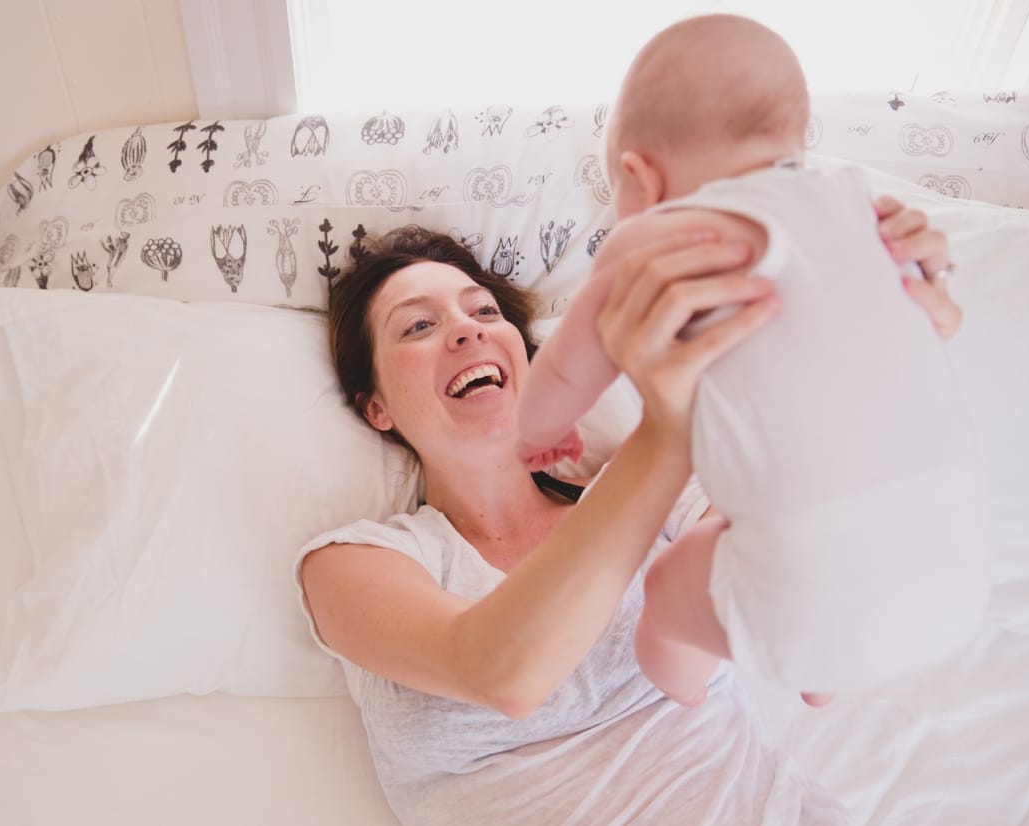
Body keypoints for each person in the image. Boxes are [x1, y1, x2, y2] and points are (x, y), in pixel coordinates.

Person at [293, 195, 962, 822]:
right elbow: (502, 671)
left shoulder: (657, 490)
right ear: (375, 407)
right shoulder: (352, 564)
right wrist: (667, 432)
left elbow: (805, 571)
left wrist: (884, 336)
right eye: (418, 325)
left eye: (485, 312)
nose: (467, 331)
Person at [515, 14, 987, 708]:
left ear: (641, 179)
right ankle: (819, 671)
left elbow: (561, 372)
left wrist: (537, 432)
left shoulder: (655, 238)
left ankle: (686, 688)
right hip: (953, 564)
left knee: (668, 591)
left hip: (807, 584)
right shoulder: (866, 208)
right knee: (767, 530)